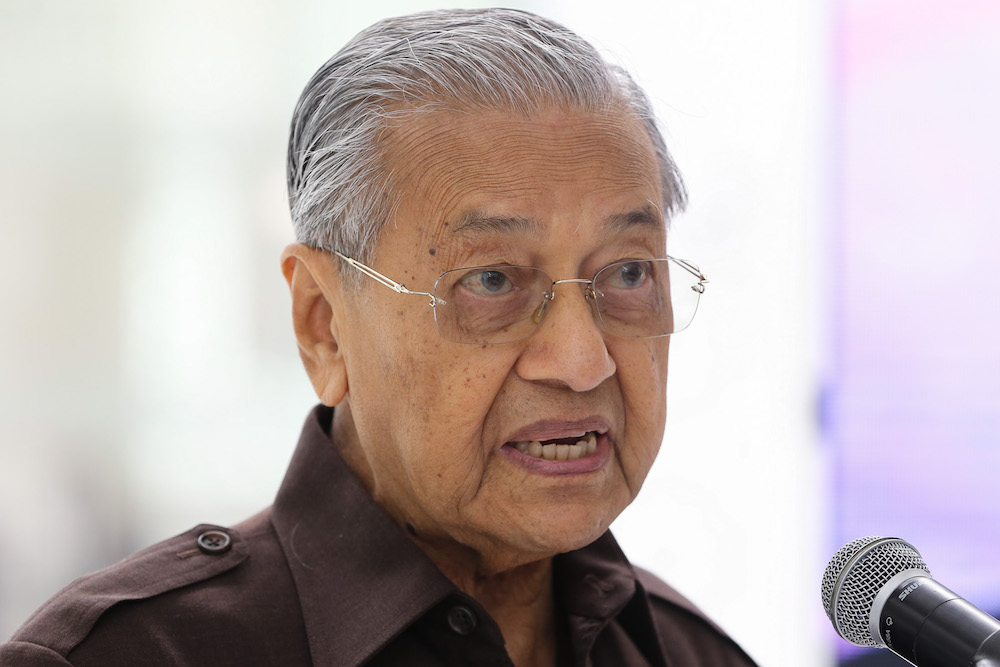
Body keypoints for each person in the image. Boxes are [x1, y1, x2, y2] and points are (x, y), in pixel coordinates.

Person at [1, 8, 757, 666]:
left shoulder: (691, 653)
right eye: (493, 281)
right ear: (323, 325)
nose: (583, 361)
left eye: (628, 273)